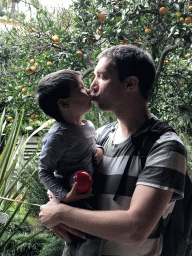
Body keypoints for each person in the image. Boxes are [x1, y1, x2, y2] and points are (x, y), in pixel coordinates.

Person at [39, 45, 187, 256]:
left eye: (102, 77)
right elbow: (61, 181)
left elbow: (136, 229)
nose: (92, 85)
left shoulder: (164, 145)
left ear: (130, 83)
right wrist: (56, 206)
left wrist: (62, 213)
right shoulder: (98, 136)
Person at [36, 69, 104, 256]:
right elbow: (44, 170)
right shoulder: (57, 137)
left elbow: (90, 143)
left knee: (78, 238)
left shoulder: (88, 126)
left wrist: (99, 148)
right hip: (72, 192)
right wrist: (64, 196)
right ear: (64, 103)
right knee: (89, 235)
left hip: (87, 191)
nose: (89, 90)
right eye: (81, 88)